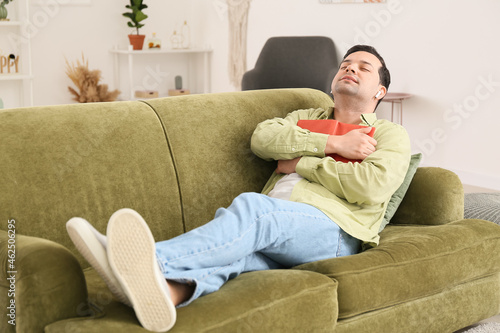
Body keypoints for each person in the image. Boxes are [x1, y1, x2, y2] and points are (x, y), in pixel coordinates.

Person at [66, 45, 411, 332]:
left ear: (380, 91)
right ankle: (166, 293)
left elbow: (372, 185)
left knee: (254, 210)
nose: (350, 69)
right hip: (282, 228)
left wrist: (301, 163)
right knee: (240, 255)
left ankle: (147, 260)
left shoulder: (388, 134)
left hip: (333, 232)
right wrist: (331, 145)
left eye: (364, 68)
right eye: (345, 65)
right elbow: (263, 139)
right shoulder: (307, 115)